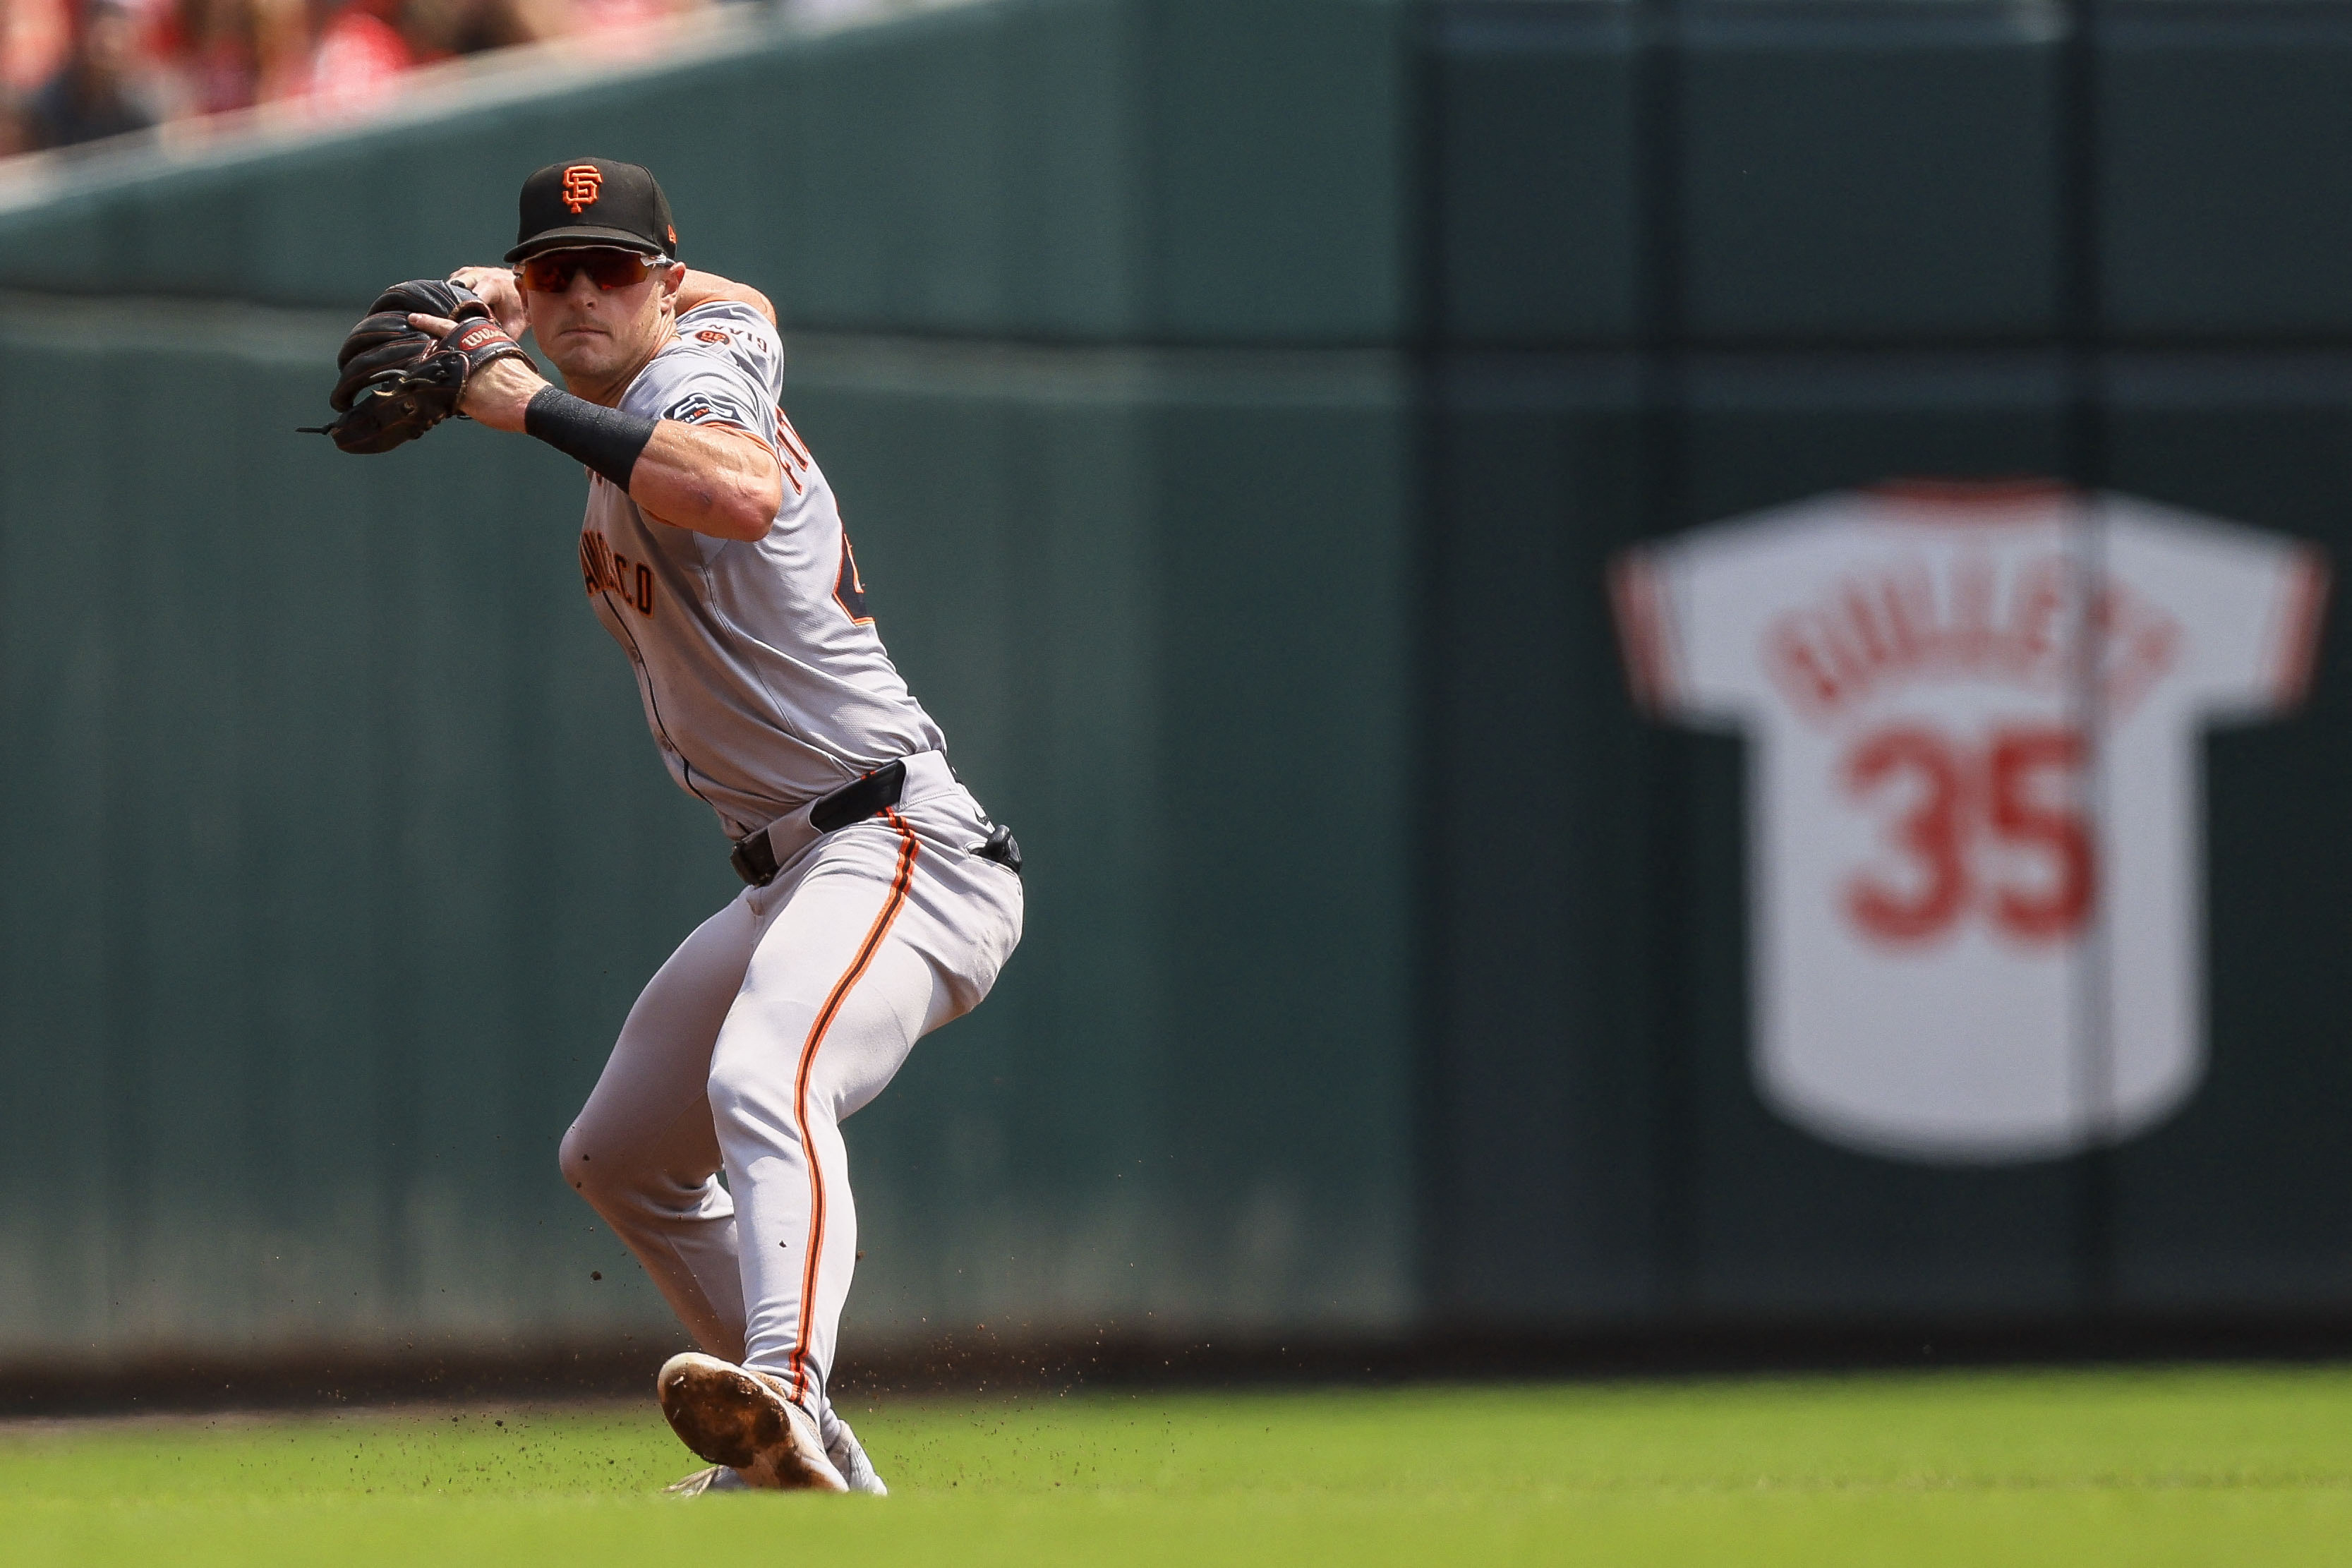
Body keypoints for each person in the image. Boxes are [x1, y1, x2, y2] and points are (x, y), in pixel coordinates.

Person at [414, 157, 1025, 1493]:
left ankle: (786, 1389)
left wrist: (518, 396)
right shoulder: (713, 323)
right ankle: (802, 1458)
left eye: (613, 268)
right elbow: (738, 290)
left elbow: (736, 490)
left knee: (765, 1077)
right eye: (553, 271)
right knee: (619, 1156)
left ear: (661, 285)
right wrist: (482, 298)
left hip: (899, 841)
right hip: (791, 865)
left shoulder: (688, 386)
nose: (582, 290)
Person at [25, 0, 154, 148]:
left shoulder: (138, 109)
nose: (110, 46)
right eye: (102, 37)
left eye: (117, 36)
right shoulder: (48, 107)